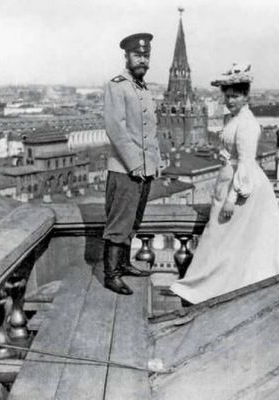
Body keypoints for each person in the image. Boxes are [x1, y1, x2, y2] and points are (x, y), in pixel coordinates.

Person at [170, 63, 279, 304]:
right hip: (229, 180)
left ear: (246, 96)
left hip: (242, 188)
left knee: (223, 237)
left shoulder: (247, 124)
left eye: (235, 96)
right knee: (227, 239)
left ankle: (203, 289)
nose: (229, 101)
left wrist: (231, 199)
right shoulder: (234, 118)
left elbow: (245, 163)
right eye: (227, 96)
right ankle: (211, 288)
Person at [103, 32, 161, 295]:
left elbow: (150, 131)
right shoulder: (117, 85)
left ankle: (124, 264)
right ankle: (111, 274)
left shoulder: (143, 88)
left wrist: (155, 162)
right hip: (125, 170)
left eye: (146, 56)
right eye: (138, 55)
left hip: (145, 169)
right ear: (126, 56)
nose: (143, 60)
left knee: (133, 220)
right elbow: (116, 129)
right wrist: (135, 164)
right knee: (119, 223)